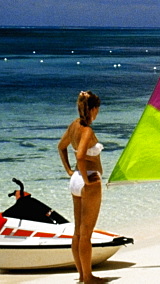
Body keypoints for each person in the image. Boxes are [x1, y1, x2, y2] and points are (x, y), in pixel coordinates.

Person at [58, 91, 105, 284]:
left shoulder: (73, 125)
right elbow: (80, 156)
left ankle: (81, 275)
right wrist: (87, 180)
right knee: (86, 234)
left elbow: (61, 147)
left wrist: (70, 171)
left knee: (78, 232)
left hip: (75, 180)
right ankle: (88, 277)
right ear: (93, 109)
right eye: (97, 109)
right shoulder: (87, 131)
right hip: (88, 182)